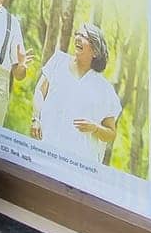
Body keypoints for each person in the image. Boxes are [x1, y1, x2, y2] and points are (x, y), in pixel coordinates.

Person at [31, 24, 121, 166]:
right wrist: (35, 118)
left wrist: (95, 128)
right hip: (46, 147)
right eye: (77, 34)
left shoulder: (104, 89)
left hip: (79, 161)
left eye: (84, 36)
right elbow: (39, 92)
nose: (78, 38)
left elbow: (111, 133)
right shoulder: (58, 61)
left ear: (95, 52)